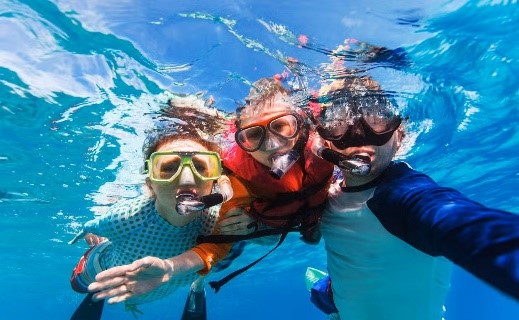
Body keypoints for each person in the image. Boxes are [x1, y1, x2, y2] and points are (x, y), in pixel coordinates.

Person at [84, 77, 336, 301]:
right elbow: (214, 248)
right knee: (226, 255)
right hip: (265, 226)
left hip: (311, 218)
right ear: (241, 139)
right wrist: (171, 267)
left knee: (314, 239)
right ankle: (198, 280)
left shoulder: (329, 145)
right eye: (254, 135)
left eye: (281, 127)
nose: (271, 144)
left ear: (300, 123)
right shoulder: (237, 180)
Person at [312, 75, 519, 320]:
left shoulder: (402, 197)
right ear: (325, 141)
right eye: (339, 122)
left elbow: (465, 226)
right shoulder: (325, 195)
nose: (359, 135)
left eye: (377, 118)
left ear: (399, 136)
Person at [68, 97, 233, 319]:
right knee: (77, 285)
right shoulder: (129, 216)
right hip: (105, 270)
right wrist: (90, 230)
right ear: (150, 185)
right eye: (168, 168)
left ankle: (198, 282)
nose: (186, 179)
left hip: (171, 280)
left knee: (214, 261)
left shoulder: (221, 219)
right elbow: (94, 225)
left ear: (214, 181)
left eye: (201, 167)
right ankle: (97, 286)